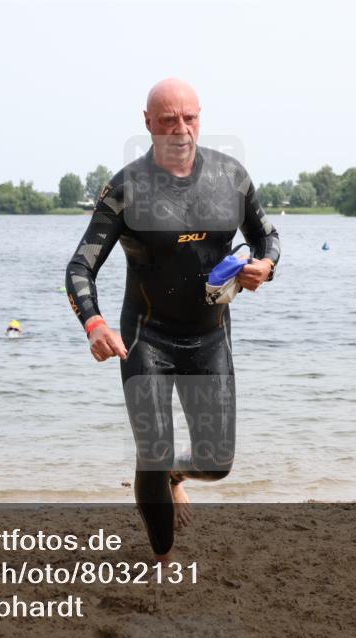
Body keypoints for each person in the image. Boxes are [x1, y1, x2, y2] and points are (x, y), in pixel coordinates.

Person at [65, 78, 280, 562]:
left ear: (200, 118)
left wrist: (266, 267)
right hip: (147, 338)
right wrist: (95, 324)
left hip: (209, 336)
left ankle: (174, 478)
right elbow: (80, 266)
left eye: (190, 118)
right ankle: (161, 557)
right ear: (148, 124)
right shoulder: (126, 188)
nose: (180, 129)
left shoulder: (231, 178)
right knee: (154, 451)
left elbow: (268, 238)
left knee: (218, 463)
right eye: (168, 120)